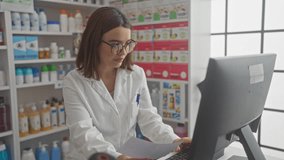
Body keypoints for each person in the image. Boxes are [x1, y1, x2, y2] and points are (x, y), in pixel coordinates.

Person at [63, 7, 191, 160]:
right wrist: (119, 157)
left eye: (127, 44)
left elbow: (149, 119)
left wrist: (174, 140)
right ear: (94, 42)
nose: (123, 52)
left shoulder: (136, 74)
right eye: (115, 44)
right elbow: (84, 134)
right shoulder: (74, 81)